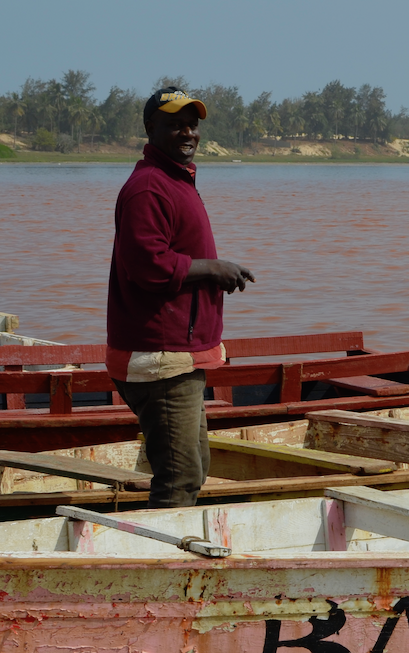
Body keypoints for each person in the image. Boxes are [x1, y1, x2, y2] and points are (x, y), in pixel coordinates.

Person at [106, 88, 255, 507]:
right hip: (161, 357)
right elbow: (148, 266)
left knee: (195, 465)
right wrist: (213, 268)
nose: (186, 132)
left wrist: (217, 271)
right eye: (173, 124)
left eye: (191, 124)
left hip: (180, 352)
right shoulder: (149, 187)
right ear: (150, 128)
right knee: (179, 476)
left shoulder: (175, 179)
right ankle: (160, 567)